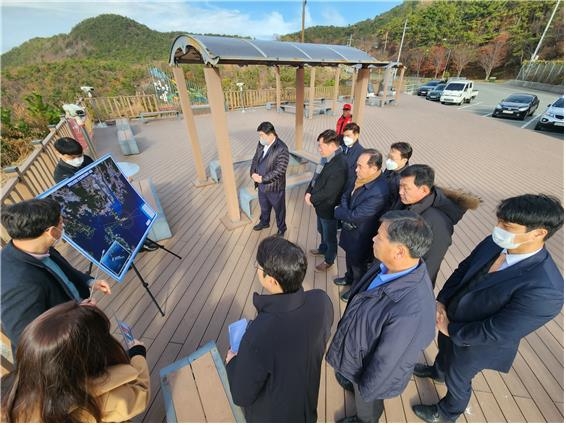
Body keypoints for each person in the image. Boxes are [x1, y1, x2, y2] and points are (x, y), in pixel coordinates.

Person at [412, 194, 564, 423]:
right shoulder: (496, 242)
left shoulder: (546, 288)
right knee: (444, 352)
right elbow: (463, 270)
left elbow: (497, 330)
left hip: (477, 343)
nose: (498, 229)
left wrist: (451, 329)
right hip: (450, 316)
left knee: (459, 378)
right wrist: (442, 300)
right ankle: (437, 371)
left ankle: (447, 412)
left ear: (539, 232)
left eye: (507, 226)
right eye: (499, 221)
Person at [326, 210, 436, 423]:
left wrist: (366, 389)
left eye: (380, 236)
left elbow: (386, 365)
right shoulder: (387, 265)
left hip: (368, 371)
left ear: (399, 251)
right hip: (360, 355)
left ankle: (365, 418)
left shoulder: (411, 311)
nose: (374, 238)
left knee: (367, 401)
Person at [226, 236, 333, 422]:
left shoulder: (258, 335)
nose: (257, 270)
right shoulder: (321, 300)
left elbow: (241, 395)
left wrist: (232, 362)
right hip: (307, 402)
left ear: (272, 281)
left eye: (258, 267)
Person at [0, 301, 150, 422]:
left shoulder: (11, 392)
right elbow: (140, 393)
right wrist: (138, 354)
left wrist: (78, 315)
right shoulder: (103, 400)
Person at [0, 198, 111, 352]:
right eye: (61, 222)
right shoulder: (19, 284)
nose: (63, 225)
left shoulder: (36, 244)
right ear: (52, 231)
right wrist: (75, 316)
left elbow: (63, 271)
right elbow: (29, 341)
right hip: (69, 351)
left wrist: (90, 282)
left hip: (82, 322)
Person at [394, 164, 481, 286]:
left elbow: (429, 265)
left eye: (405, 188)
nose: (400, 192)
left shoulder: (437, 222)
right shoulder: (410, 204)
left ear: (424, 189)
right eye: (400, 186)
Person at [333, 149, 390, 289]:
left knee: (358, 264)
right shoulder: (361, 177)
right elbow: (346, 195)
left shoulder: (379, 191)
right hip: (350, 229)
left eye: (360, 166)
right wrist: (345, 209)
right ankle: (349, 277)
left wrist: (338, 211)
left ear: (374, 168)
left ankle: (355, 288)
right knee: (349, 257)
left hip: (361, 235)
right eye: (356, 165)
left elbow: (357, 216)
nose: (356, 169)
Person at [305, 129, 348, 271]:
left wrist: (312, 198)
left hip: (329, 208)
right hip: (320, 206)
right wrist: (308, 191)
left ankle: (329, 259)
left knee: (330, 236)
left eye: (321, 146)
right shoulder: (327, 159)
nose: (318, 149)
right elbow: (315, 179)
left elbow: (329, 192)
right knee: (321, 230)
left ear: (331, 145)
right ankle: (323, 249)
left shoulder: (339, 164)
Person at [249, 121, 290, 236]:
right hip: (261, 185)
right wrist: (252, 173)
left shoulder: (282, 148)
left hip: (275, 188)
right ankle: (264, 222)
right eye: (259, 135)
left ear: (271, 134)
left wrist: (262, 179)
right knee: (264, 206)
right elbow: (255, 159)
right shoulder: (261, 143)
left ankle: (282, 228)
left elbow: (280, 170)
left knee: (279, 210)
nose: (260, 137)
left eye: (262, 135)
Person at [383, 141, 412, 208]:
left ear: (404, 160)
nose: (388, 161)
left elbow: (396, 205)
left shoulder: (404, 180)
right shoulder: (390, 168)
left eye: (392, 158)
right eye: (388, 156)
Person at [341, 122, 365, 186]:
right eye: (344, 136)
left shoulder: (361, 153)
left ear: (356, 135)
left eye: (348, 136)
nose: (345, 138)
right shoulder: (341, 147)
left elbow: (353, 177)